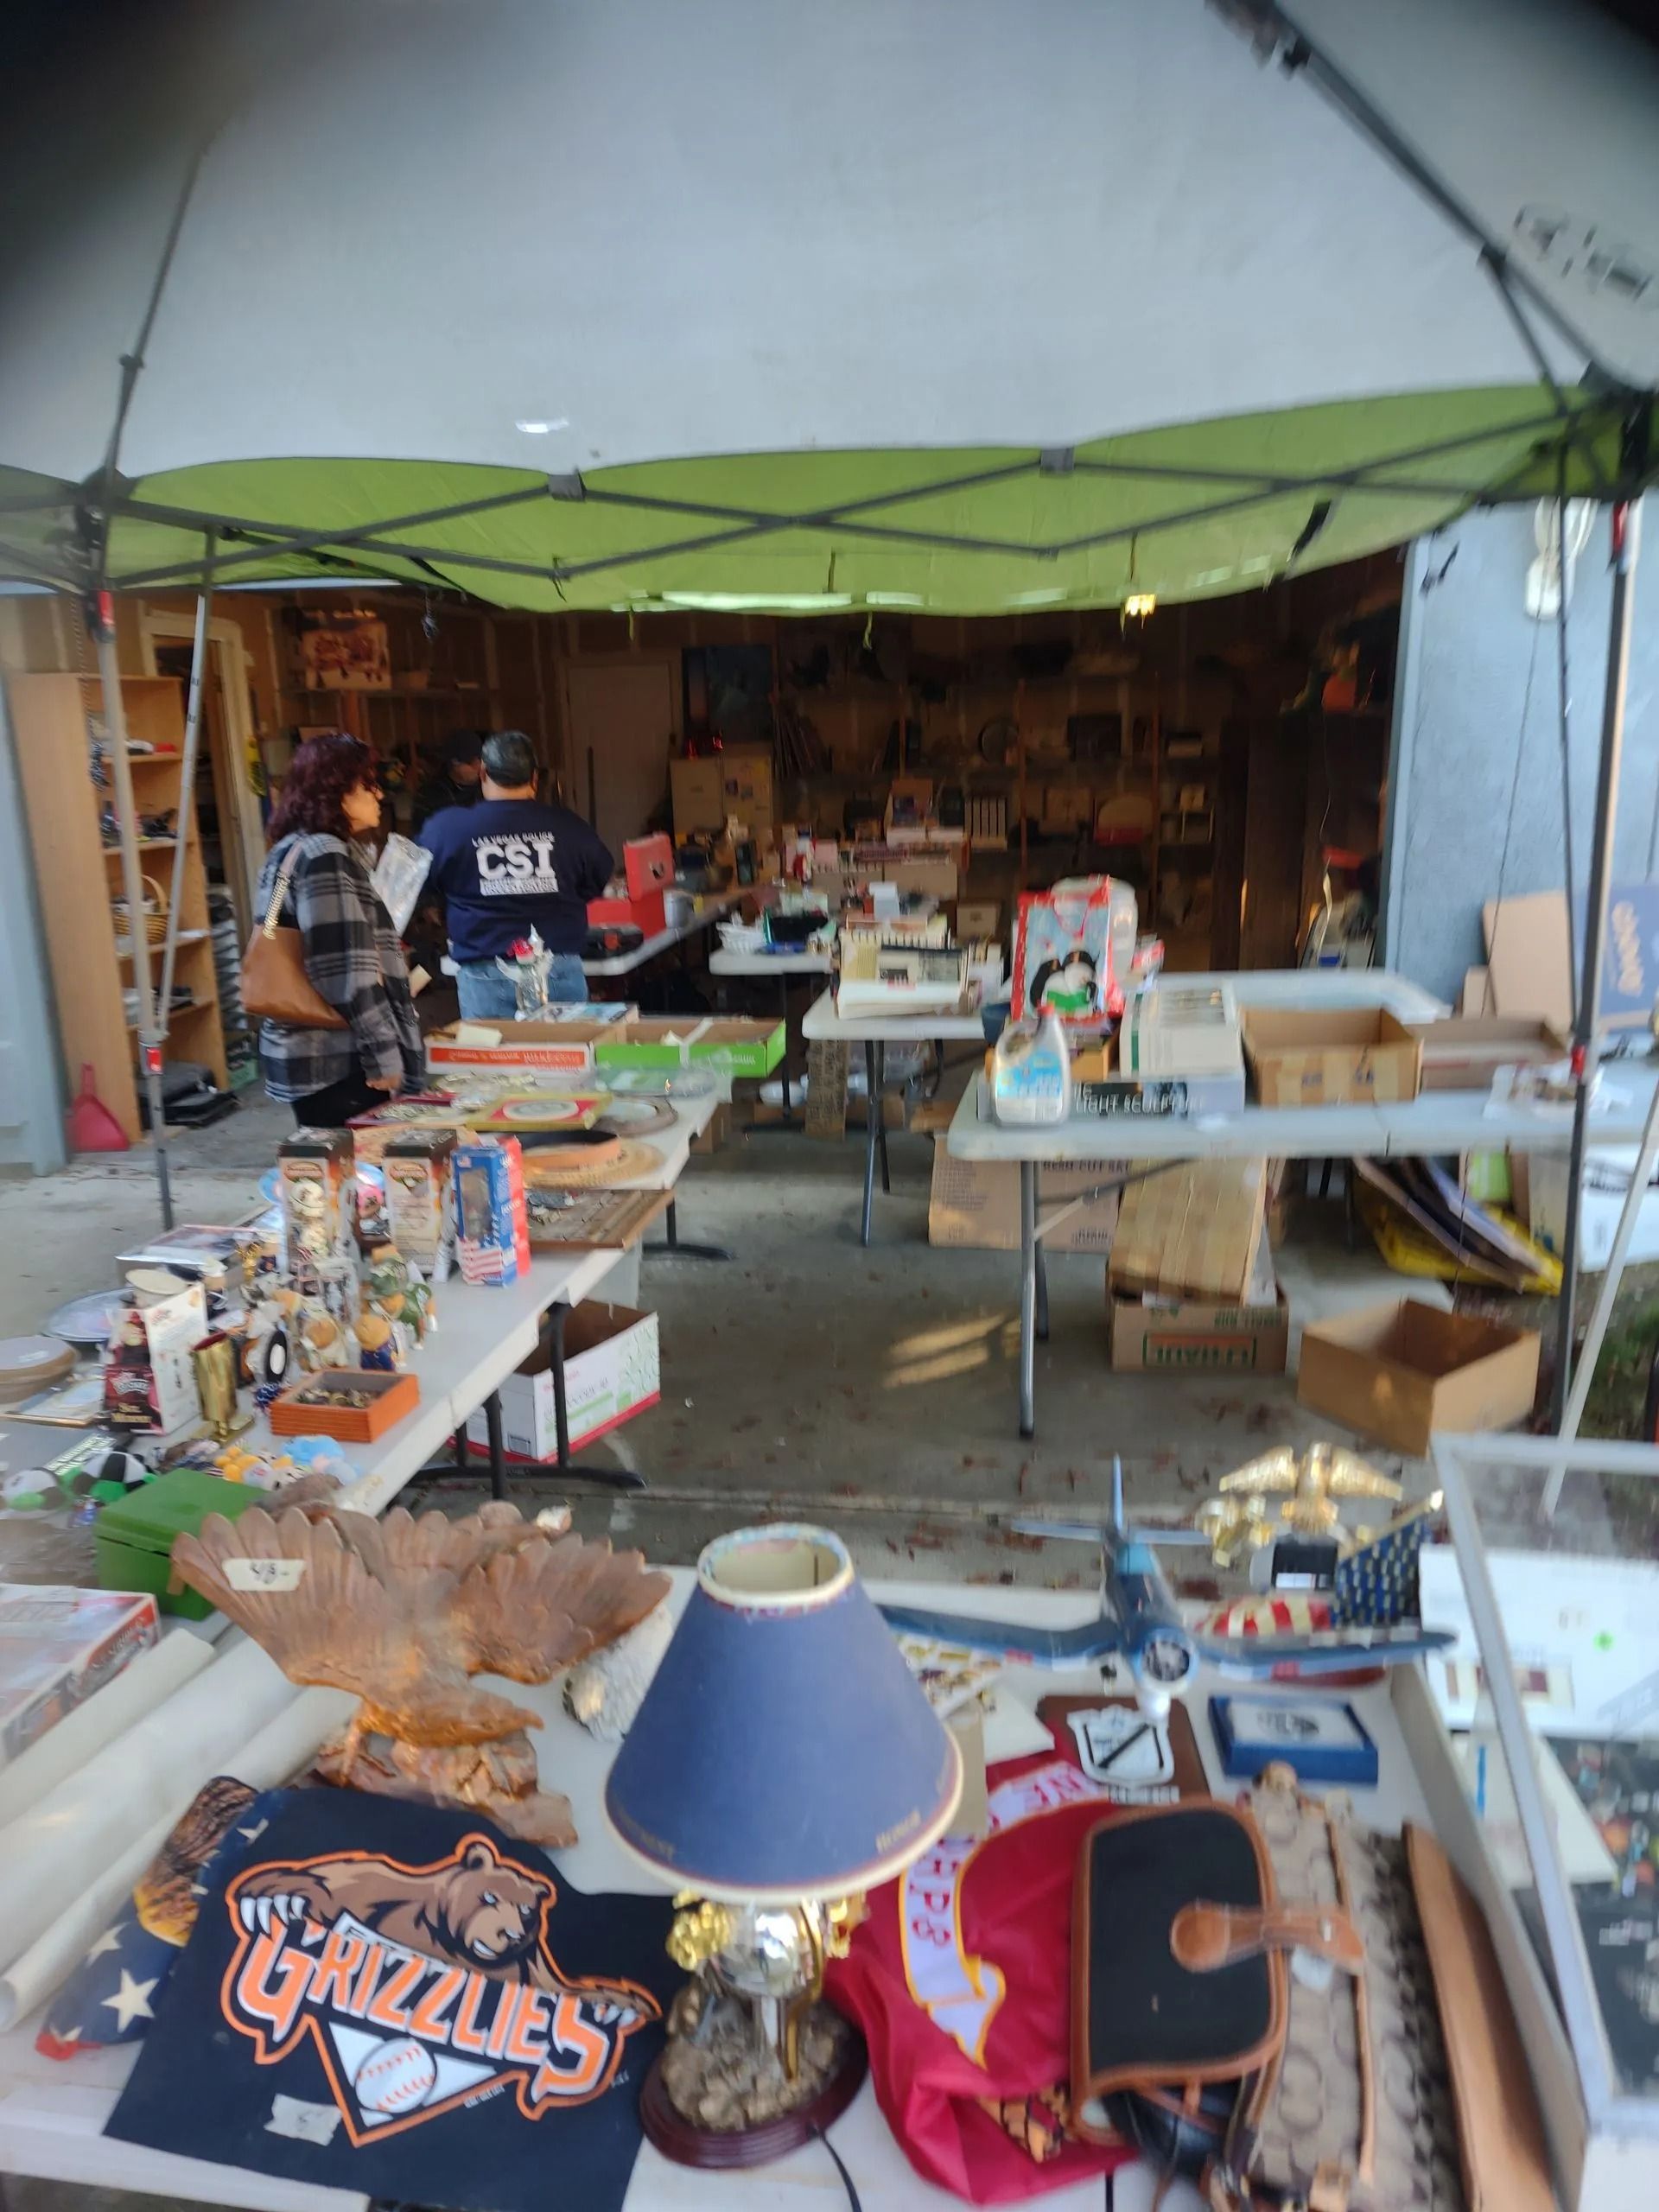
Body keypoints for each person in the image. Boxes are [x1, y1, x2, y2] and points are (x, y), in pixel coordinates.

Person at [255, 733, 424, 1127]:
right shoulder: (325, 855)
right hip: (338, 1060)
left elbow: (274, 929)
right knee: (359, 1162)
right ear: (336, 792)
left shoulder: (287, 850)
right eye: (368, 784)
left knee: (327, 1157)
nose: (379, 794)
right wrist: (383, 1054)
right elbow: (346, 972)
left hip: (302, 1051)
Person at [417, 728, 613, 1020]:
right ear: (534, 778)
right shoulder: (569, 827)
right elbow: (598, 878)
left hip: (484, 976)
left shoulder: (446, 829)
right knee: (567, 1050)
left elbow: (416, 885)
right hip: (558, 971)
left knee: (496, 1051)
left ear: (483, 773)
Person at [413, 729, 485, 830]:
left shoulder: (489, 789)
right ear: (454, 764)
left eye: (481, 759)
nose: (478, 766)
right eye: (471, 762)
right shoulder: (429, 796)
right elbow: (421, 834)